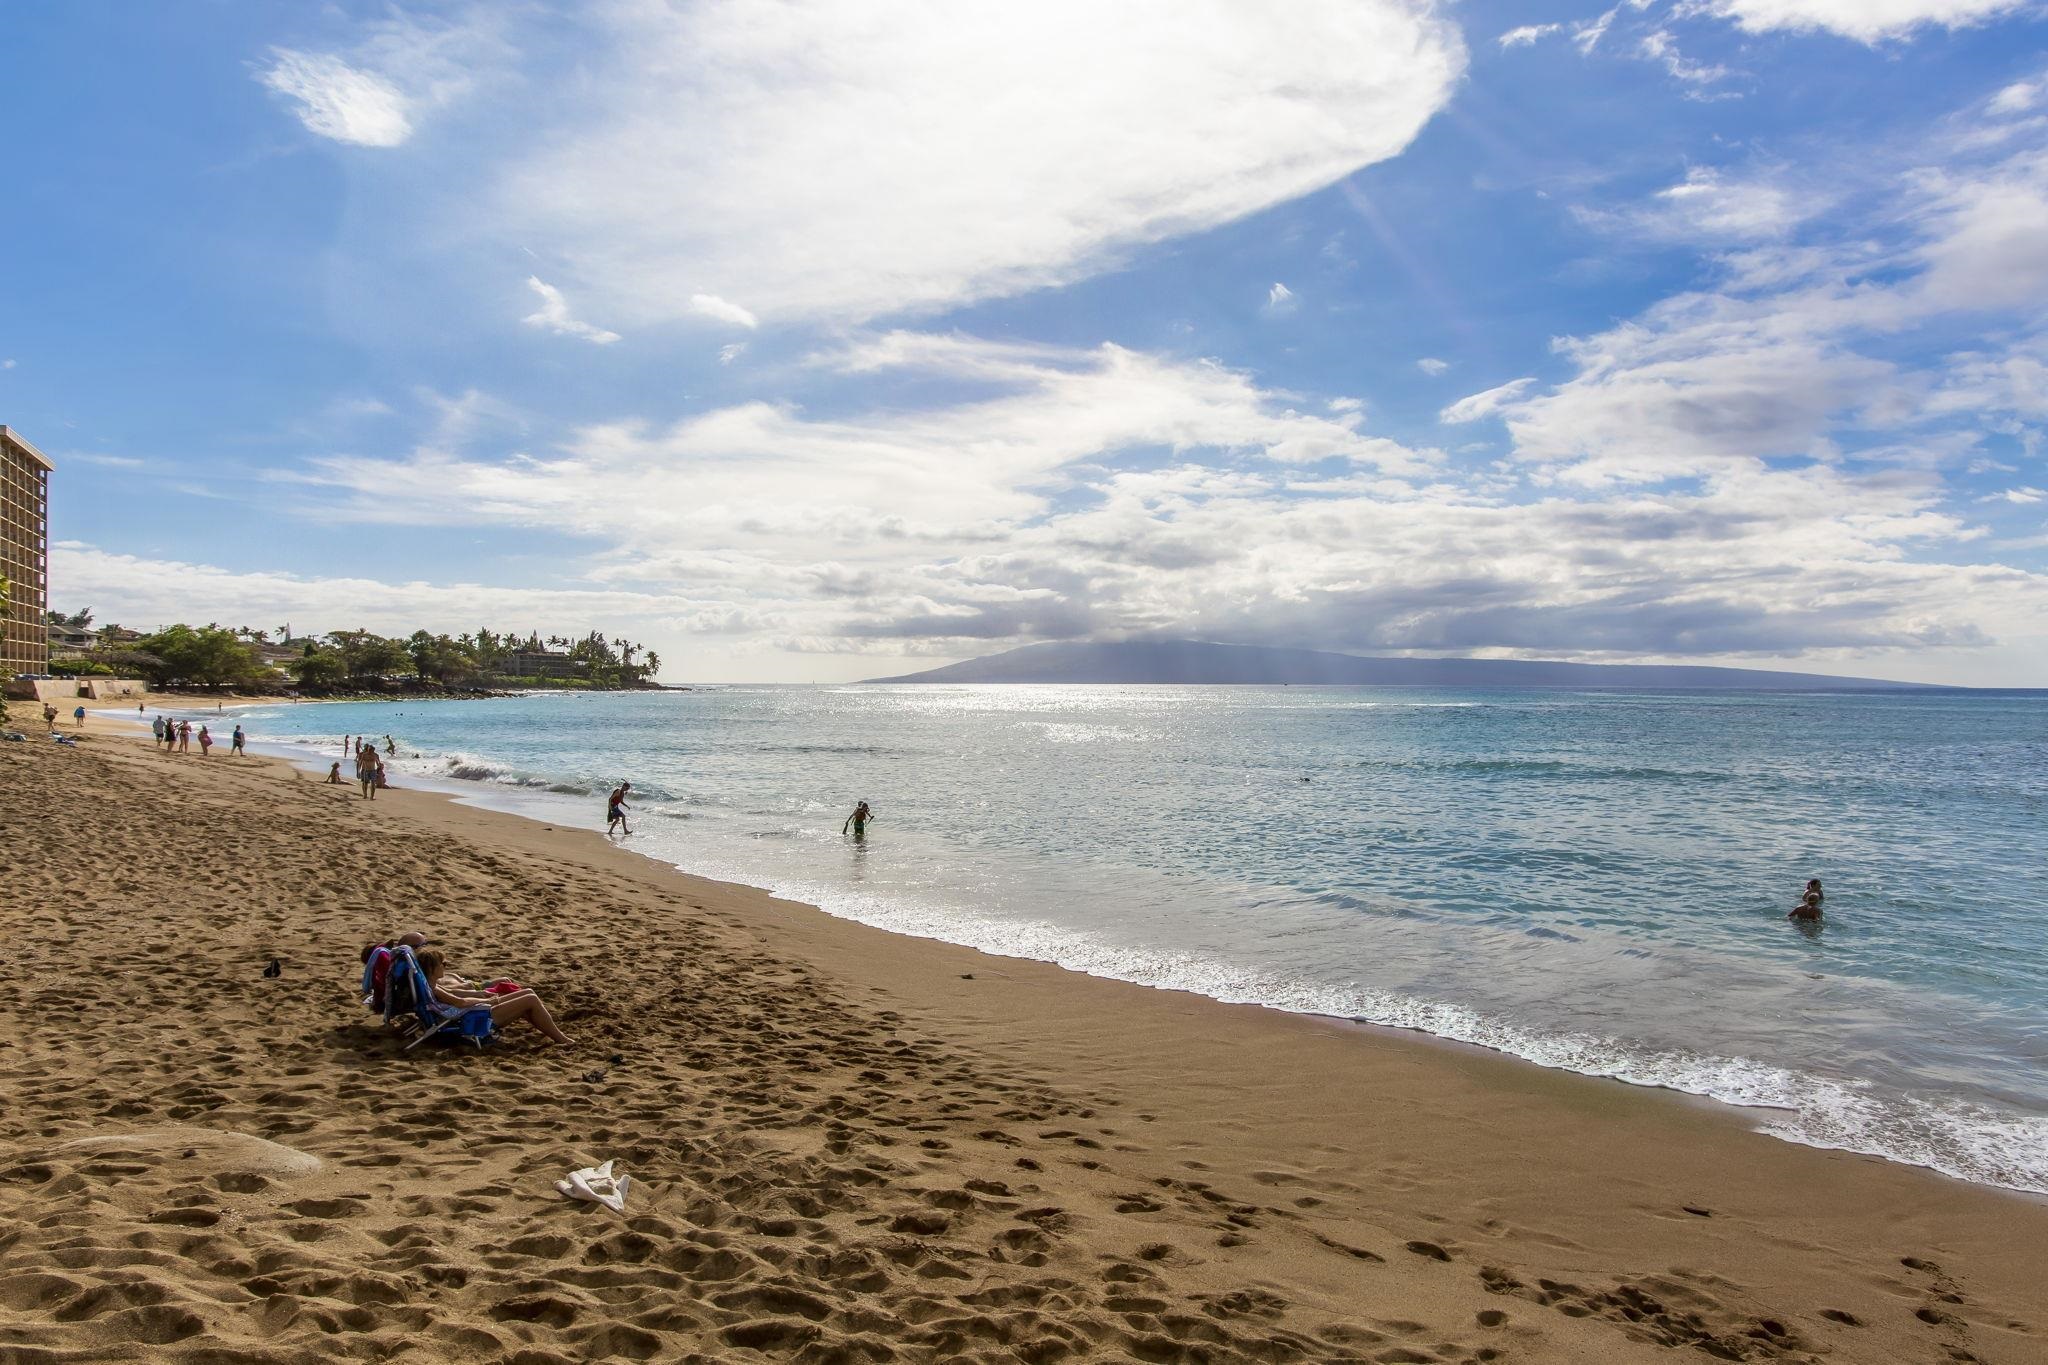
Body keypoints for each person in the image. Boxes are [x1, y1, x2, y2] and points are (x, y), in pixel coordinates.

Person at [418, 948, 570, 1045]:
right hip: (474, 1020)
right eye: (443, 964)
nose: (445, 966)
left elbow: (456, 995)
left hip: (470, 1013)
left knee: (528, 993)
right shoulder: (434, 989)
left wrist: (480, 993)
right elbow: (461, 1002)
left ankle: (552, 1031)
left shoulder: (431, 985)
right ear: (432, 968)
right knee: (530, 999)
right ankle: (561, 1038)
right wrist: (487, 1000)